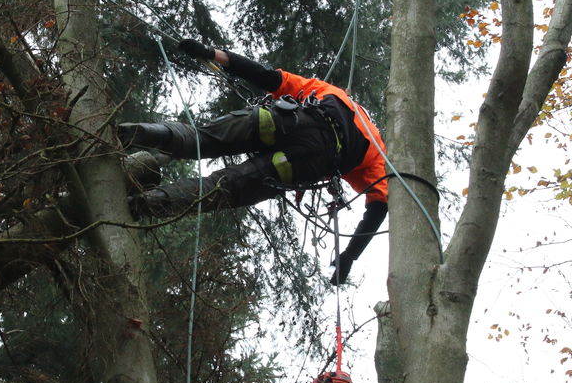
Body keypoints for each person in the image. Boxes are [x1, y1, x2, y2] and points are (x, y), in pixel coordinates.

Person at [118, 39, 388, 284]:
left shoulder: (330, 92)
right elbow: (378, 208)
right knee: (220, 188)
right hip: (303, 162)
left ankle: (137, 132)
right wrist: (349, 256)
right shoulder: (376, 150)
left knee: (201, 138)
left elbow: (266, 76)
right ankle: (145, 203)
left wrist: (210, 53)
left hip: (282, 121)